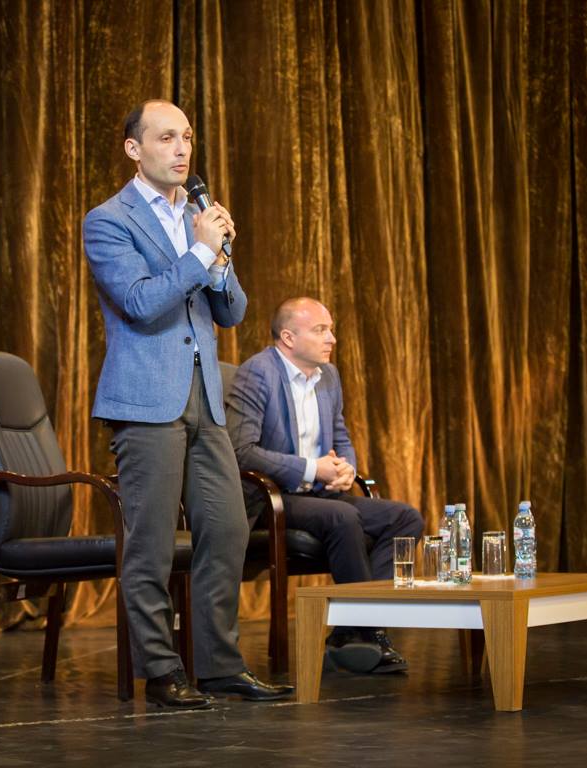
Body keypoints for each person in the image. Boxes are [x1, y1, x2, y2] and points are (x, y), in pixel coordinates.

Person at [82, 99, 292, 708]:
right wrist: (200, 254)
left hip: (206, 400)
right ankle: (161, 670)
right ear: (134, 149)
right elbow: (141, 303)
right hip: (146, 399)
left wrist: (219, 260)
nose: (181, 149)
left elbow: (232, 312)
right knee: (150, 542)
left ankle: (220, 666)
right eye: (166, 137)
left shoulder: (200, 215)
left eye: (188, 138)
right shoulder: (109, 220)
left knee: (226, 529)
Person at [226, 297, 424, 674]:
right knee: (342, 517)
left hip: (319, 494)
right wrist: (311, 469)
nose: (331, 338)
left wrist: (347, 468)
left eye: (330, 329)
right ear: (288, 337)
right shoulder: (258, 373)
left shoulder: (328, 375)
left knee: (404, 519)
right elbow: (242, 452)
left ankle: (349, 630)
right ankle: (369, 632)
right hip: (271, 498)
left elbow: (340, 434)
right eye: (320, 330)